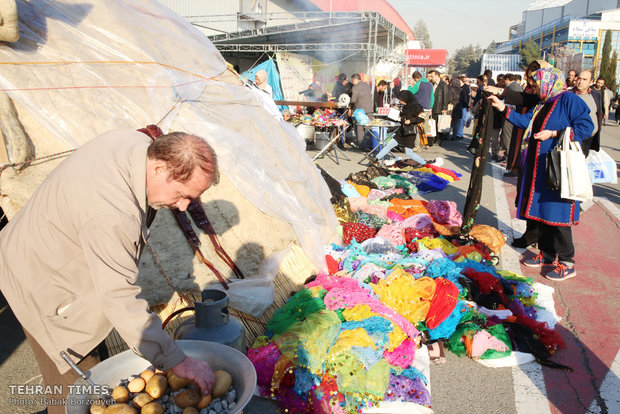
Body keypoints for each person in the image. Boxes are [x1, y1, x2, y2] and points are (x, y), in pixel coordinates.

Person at [0, 130, 219, 412]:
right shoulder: (114, 214)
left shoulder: (138, 144)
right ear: (160, 166)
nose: (183, 206)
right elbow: (119, 297)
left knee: (95, 363)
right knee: (78, 391)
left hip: (50, 248)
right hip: (38, 279)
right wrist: (178, 360)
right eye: (181, 195)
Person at [488, 68, 594, 281]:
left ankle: (567, 262)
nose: (534, 89)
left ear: (548, 83)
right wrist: (502, 108)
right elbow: (526, 122)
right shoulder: (542, 104)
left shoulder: (568, 100)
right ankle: (547, 255)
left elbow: (587, 127)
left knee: (558, 214)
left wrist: (555, 133)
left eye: (536, 85)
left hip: (557, 167)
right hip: (540, 168)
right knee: (543, 212)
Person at [373, 90, 426, 164]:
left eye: (401, 100)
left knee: (409, 153)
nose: (400, 102)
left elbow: (422, 118)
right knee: (389, 145)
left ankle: (424, 163)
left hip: (409, 133)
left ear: (406, 98)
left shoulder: (417, 106)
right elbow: (402, 118)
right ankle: (375, 159)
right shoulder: (405, 107)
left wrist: (410, 120)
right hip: (401, 131)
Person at [570, 70, 601, 157]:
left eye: (584, 79)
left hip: (589, 139)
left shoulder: (595, 95)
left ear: (591, 82)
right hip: (575, 139)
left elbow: (597, 114)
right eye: (579, 78)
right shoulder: (569, 95)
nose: (581, 82)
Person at [349, 73, 374, 149]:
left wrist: (348, 100)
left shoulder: (355, 87)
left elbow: (353, 100)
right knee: (369, 128)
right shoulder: (367, 85)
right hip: (369, 109)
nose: (352, 82)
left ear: (356, 79)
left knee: (359, 128)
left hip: (360, 111)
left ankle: (361, 145)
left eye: (352, 81)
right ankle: (369, 144)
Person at [428, 69, 450, 145]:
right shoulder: (432, 84)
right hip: (433, 107)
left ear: (437, 76)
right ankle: (433, 138)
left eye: (432, 76)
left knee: (439, 124)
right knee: (433, 124)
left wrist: (444, 108)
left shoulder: (443, 84)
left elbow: (446, 97)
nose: (431, 78)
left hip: (439, 107)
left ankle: (439, 139)